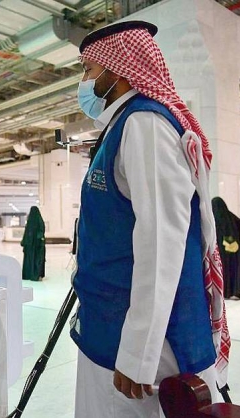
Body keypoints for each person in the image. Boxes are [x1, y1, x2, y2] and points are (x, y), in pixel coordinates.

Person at [70, 21, 230, 417]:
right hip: (109, 324)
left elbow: (162, 241)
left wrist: (139, 352)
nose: (84, 82)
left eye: (89, 70)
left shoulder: (145, 125)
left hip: (141, 344)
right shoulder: (122, 127)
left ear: (118, 70)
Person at [212, 197, 240, 299]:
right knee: (234, 269)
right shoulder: (229, 216)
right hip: (234, 249)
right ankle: (236, 289)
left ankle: (223, 291)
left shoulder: (212, 218)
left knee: (223, 270)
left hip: (219, 251)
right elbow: (239, 224)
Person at [20, 206, 46, 281]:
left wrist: (24, 243)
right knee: (37, 260)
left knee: (29, 260)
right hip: (38, 245)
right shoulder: (40, 221)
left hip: (29, 246)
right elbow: (42, 231)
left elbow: (26, 234)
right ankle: (36, 275)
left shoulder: (29, 222)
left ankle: (28, 274)